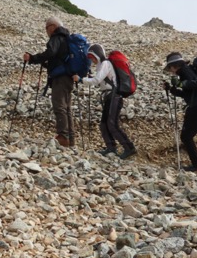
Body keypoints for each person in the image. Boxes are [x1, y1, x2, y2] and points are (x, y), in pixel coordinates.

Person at [73, 44, 136, 159]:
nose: (92, 59)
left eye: (92, 56)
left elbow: (97, 80)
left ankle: (129, 148)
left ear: (98, 55)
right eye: (90, 57)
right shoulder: (102, 65)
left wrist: (81, 80)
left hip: (113, 97)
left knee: (111, 123)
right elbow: (100, 79)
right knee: (104, 124)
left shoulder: (105, 64)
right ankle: (111, 148)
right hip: (110, 97)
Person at [23, 17, 73, 147]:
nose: (46, 31)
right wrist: (46, 64)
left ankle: (63, 136)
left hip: (60, 78)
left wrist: (33, 58)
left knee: (59, 105)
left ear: (53, 26)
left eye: (46, 27)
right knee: (67, 107)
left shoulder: (57, 37)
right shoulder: (67, 38)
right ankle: (70, 138)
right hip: (68, 77)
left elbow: (51, 52)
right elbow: (58, 60)